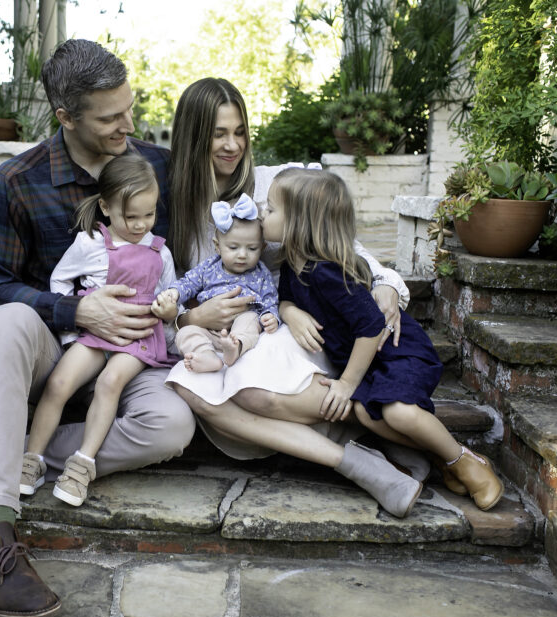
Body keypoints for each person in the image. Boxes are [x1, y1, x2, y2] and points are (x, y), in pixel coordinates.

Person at [0, 40, 195, 617]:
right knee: (6, 319)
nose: (128, 126)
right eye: (110, 118)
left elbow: (210, 241)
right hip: (55, 350)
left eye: (129, 109)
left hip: (135, 353)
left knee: (173, 426)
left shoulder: (155, 168)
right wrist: (76, 313)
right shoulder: (16, 181)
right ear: (66, 116)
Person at [164, 77, 435, 496]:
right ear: (193, 138)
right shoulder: (176, 212)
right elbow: (170, 298)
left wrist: (385, 285)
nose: (232, 145)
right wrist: (192, 316)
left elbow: (348, 249)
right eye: (218, 134)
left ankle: (377, 424)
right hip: (229, 337)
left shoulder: (273, 183)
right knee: (188, 381)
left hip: (290, 334)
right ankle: (355, 460)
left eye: (239, 132)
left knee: (252, 390)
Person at [263, 167, 504, 512]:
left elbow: (373, 326)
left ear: (299, 222)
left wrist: (346, 383)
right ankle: (443, 461)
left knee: (400, 414)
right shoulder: (292, 265)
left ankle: (465, 460)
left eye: (271, 209)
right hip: (368, 362)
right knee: (366, 413)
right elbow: (285, 297)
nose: (262, 215)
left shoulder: (330, 272)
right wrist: (288, 311)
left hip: (396, 353)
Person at [28, 154, 178, 508]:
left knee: (112, 381)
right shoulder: (91, 243)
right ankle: (31, 459)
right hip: (95, 332)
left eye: (149, 214)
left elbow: (172, 295)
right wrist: (71, 332)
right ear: (106, 208)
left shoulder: (160, 251)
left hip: (138, 338)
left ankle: (83, 464)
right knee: (59, 383)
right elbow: (59, 280)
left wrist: (170, 309)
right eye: (131, 216)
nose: (142, 225)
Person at [154, 193, 279, 372]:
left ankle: (236, 348)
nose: (242, 254)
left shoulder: (261, 273)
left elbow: (270, 298)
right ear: (217, 246)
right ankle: (207, 356)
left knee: (250, 320)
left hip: (241, 327)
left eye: (252, 248)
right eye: (233, 247)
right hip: (209, 328)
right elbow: (188, 282)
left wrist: (271, 316)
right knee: (185, 333)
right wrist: (175, 293)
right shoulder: (208, 268)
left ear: (262, 248)